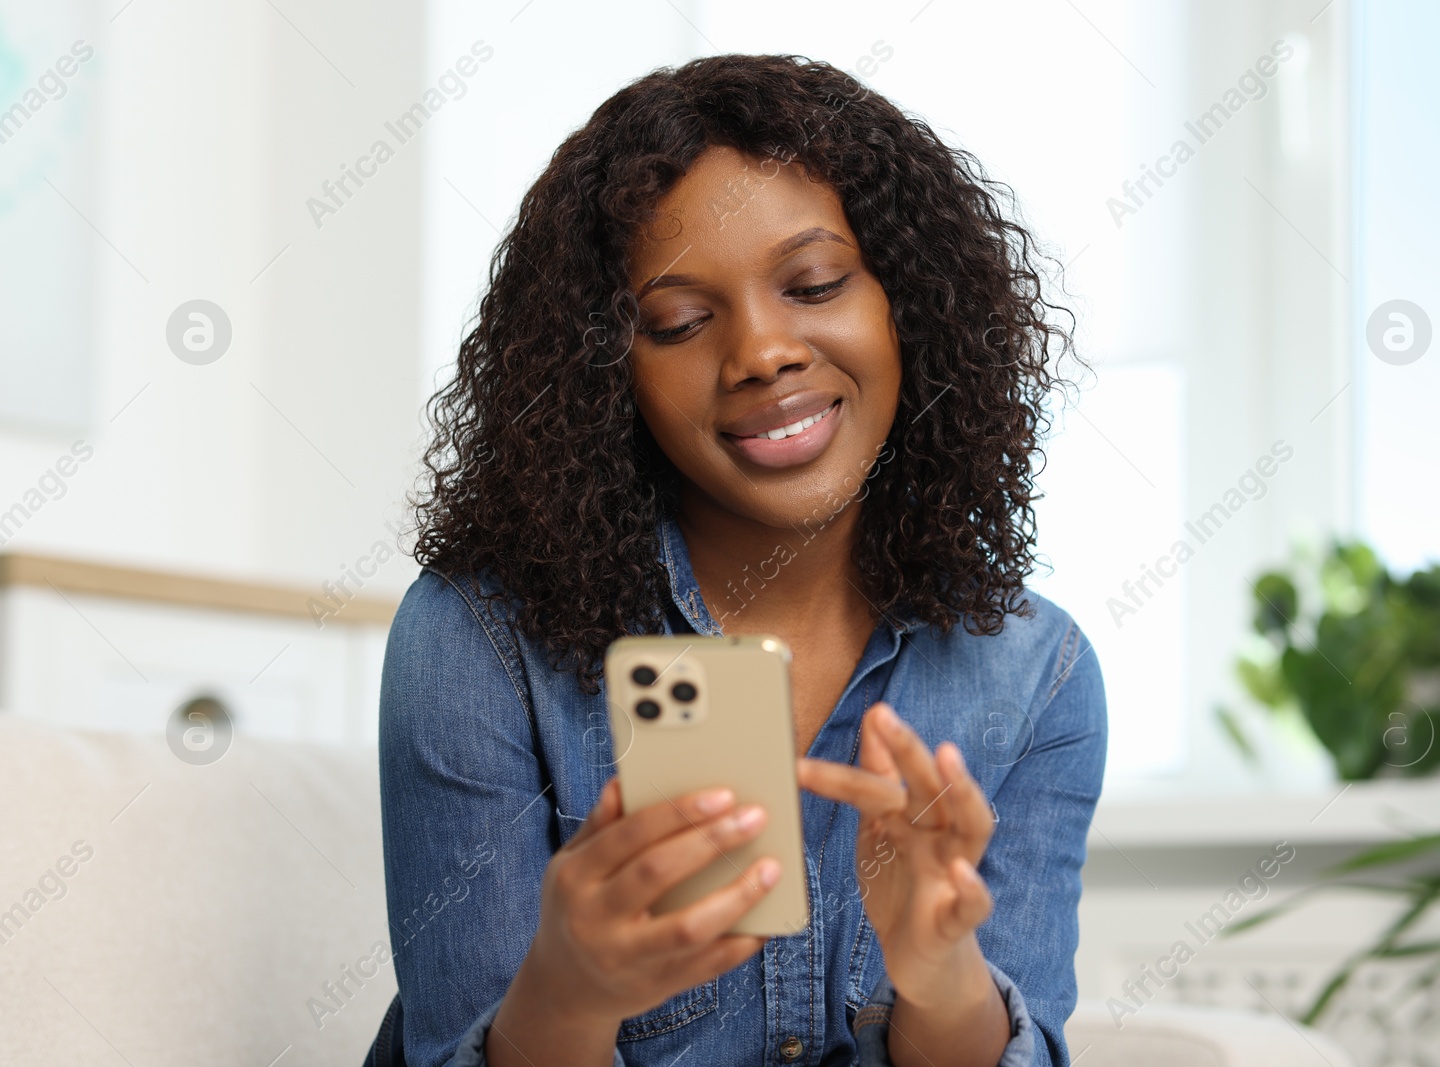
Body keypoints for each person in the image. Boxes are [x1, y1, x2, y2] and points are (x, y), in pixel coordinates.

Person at [375, 52, 1107, 1067]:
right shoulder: (477, 641)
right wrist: (568, 992)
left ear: (912, 304)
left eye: (812, 284)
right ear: (606, 372)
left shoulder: (1038, 674)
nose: (762, 351)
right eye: (677, 322)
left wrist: (940, 974)